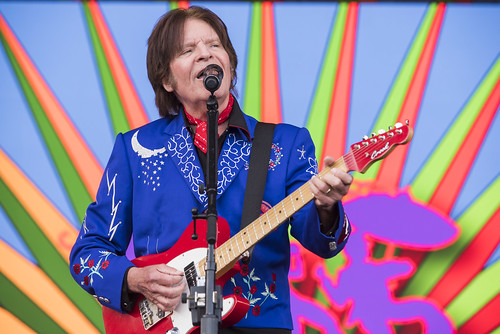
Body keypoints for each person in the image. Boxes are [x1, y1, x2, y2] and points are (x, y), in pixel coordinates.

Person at [70, 6, 352, 334]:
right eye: (188, 50)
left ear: (229, 63)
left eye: (215, 45)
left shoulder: (286, 144)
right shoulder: (136, 149)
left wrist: (327, 206)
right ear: (166, 79)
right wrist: (133, 278)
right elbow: (88, 254)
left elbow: (325, 244)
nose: (205, 54)